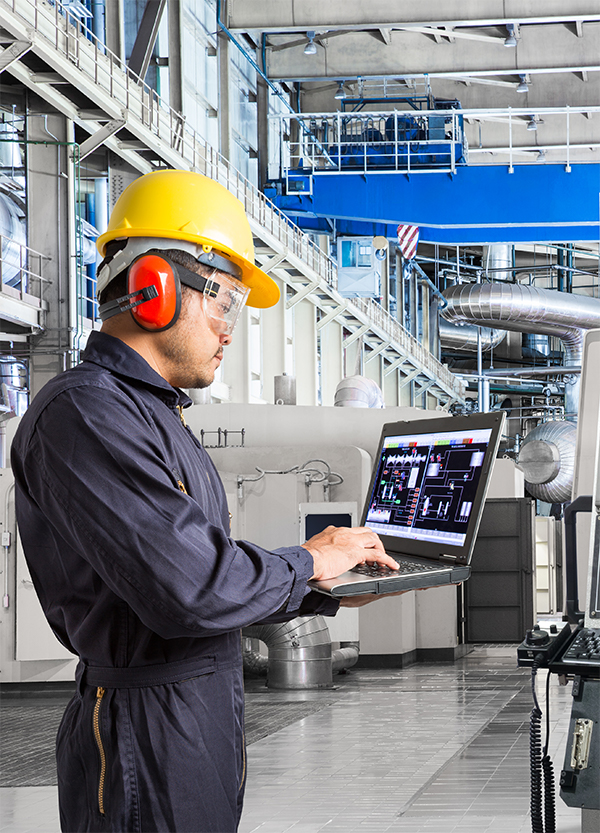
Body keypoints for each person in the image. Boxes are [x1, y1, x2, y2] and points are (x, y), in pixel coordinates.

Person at [12, 170, 400, 833]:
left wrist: (320, 587)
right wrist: (306, 563)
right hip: (142, 736)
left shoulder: (155, 415)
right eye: (223, 303)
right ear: (155, 290)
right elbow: (190, 587)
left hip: (192, 719)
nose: (229, 331)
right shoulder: (85, 414)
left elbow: (200, 569)